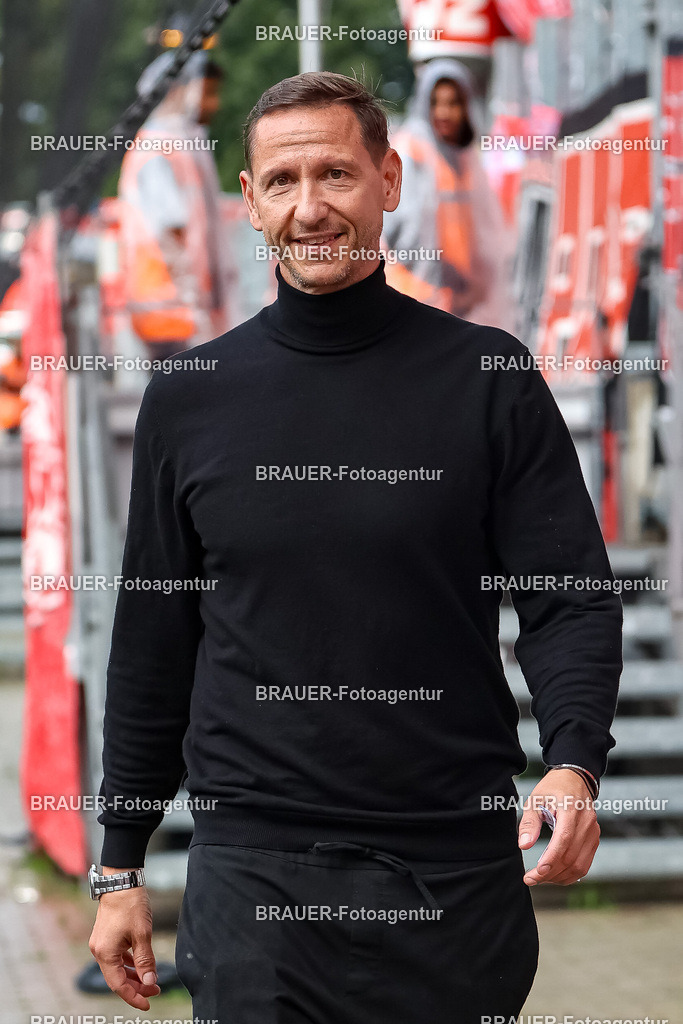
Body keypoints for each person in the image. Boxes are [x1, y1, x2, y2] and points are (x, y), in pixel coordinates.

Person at [88, 72, 622, 1023]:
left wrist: (573, 761)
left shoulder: (489, 378)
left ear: (389, 179)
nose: (310, 207)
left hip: (452, 869)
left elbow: (566, 598)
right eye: (282, 181)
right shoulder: (191, 398)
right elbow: (152, 641)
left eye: (335, 173)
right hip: (254, 877)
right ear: (248, 203)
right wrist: (118, 864)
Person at [383, 58, 515, 331]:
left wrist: (473, 287)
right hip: (413, 300)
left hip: (457, 305)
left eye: (453, 103)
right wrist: (441, 281)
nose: (444, 112)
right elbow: (394, 233)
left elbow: (485, 234)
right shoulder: (410, 152)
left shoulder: (464, 158)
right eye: (436, 103)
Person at [117, 50, 232, 362]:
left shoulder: (176, 145)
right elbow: (170, 233)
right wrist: (195, 304)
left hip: (172, 311)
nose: (211, 103)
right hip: (168, 313)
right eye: (204, 91)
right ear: (176, 89)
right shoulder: (158, 148)